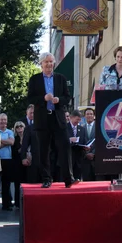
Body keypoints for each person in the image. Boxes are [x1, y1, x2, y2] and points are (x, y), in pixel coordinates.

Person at [27, 52, 78, 188]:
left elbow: (67, 97)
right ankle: (46, 178)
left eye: (51, 62)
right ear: (41, 64)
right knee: (43, 150)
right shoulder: (35, 79)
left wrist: (58, 100)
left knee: (65, 147)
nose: (49, 64)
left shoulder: (61, 78)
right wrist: (43, 99)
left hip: (58, 118)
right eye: (46, 62)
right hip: (43, 119)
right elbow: (30, 98)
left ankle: (69, 178)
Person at [0, 114, 14, 211]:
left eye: (5, 119)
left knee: (6, 183)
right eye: (1, 120)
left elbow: (11, 142)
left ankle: (6, 204)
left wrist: (0, 141)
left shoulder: (10, 132)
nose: (3, 121)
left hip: (7, 159)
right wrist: (6, 141)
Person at [66, 110, 86, 181]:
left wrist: (86, 147)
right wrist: (69, 140)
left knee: (77, 179)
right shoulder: (64, 127)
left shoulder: (82, 129)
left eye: (80, 120)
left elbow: (84, 141)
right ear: (71, 117)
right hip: (68, 157)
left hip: (78, 158)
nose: (78, 121)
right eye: (77, 119)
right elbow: (59, 141)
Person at [11, 122, 25, 208]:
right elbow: (13, 151)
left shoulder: (28, 137)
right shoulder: (14, 139)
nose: (19, 128)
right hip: (17, 163)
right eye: (17, 127)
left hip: (26, 163)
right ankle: (17, 202)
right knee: (17, 183)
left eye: (21, 126)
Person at [82, 108, 96, 181]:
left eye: (91, 114)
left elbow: (101, 143)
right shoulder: (81, 128)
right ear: (84, 116)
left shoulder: (99, 127)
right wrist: (86, 154)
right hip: (85, 160)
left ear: (94, 116)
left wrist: (93, 153)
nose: (89, 115)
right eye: (87, 114)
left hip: (97, 159)